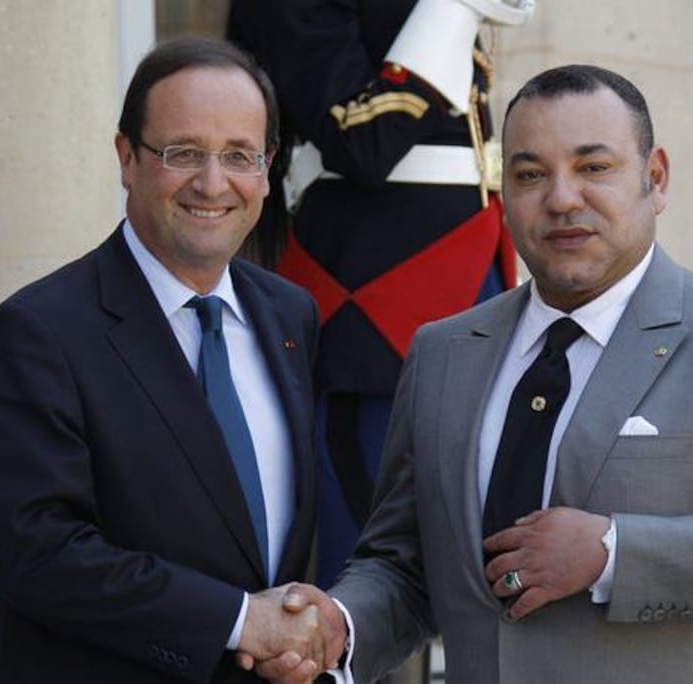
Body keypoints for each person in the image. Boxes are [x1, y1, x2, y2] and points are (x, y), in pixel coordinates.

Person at [254, 64, 693, 683]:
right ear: (503, 192)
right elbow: (406, 565)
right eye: (531, 174)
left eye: (594, 168)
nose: (562, 198)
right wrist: (339, 626)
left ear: (656, 178)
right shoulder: (442, 351)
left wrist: (611, 553)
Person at [0, 37, 338, 683]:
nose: (213, 183)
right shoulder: (37, 331)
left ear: (269, 167)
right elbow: (42, 556)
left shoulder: (290, 316)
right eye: (183, 153)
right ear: (127, 158)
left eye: (240, 156)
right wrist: (237, 619)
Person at [228, 0, 535, 587]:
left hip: (465, 257)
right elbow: (364, 139)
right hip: (374, 289)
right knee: (370, 537)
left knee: (468, 523)